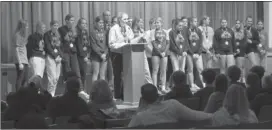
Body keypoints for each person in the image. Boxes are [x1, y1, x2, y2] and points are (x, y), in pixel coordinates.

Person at [128, 83, 212, 127]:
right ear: (158, 96)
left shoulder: (140, 117)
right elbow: (196, 115)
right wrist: (215, 115)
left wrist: (140, 108)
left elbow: (130, 127)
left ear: (142, 100)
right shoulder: (172, 105)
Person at [108, 12, 134, 100]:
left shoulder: (128, 28)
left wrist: (129, 40)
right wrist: (122, 44)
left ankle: (125, 94)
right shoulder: (113, 29)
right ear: (119, 19)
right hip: (116, 54)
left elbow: (132, 38)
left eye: (127, 19)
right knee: (117, 75)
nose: (126, 21)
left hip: (126, 54)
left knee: (126, 74)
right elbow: (111, 44)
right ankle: (117, 95)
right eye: (124, 19)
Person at [151, 17, 170, 93]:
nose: (156, 24)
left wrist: (164, 52)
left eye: (158, 22)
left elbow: (168, 43)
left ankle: (163, 87)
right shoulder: (152, 32)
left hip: (164, 54)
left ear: (161, 23)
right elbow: (153, 43)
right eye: (155, 23)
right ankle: (155, 88)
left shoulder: (165, 32)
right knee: (155, 70)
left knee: (163, 70)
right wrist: (159, 53)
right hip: (156, 53)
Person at [44, 20, 63, 97]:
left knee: (56, 78)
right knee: (52, 77)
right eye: (54, 25)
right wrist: (55, 56)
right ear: (51, 26)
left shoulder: (59, 34)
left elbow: (60, 47)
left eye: (57, 25)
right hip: (51, 57)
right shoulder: (47, 34)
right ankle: (49, 95)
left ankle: (52, 93)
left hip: (58, 58)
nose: (56, 27)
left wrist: (60, 56)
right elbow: (48, 47)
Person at [131, 18, 153, 84]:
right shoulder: (130, 31)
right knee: (136, 73)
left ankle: (152, 87)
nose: (142, 24)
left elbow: (145, 43)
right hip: (133, 53)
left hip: (142, 53)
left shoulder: (143, 31)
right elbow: (131, 42)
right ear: (136, 23)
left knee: (146, 71)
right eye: (140, 22)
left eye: (142, 22)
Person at [186, 17, 204, 91]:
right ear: (190, 22)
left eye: (196, 21)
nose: (196, 23)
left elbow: (200, 43)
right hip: (190, 54)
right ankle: (192, 85)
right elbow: (186, 44)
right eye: (195, 21)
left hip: (198, 54)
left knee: (200, 69)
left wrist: (199, 53)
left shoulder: (198, 30)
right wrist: (192, 53)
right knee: (190, 69)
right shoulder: (186, 31)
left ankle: (204, 84)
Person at [90, 16, 108, 83]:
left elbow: (107, 45)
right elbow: (93, 45)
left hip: (104, 55)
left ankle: (102, 91)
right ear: (96, 23)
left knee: (102, 74)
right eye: (100, 23)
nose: (102, 24)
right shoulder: (92, 32)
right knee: (96, 73)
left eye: (102, 23)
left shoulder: (105, 32)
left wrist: (105, 54)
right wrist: (100, 54)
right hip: (96, 55)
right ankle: (94, 91)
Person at [75, 18, 91, 92]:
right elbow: (79, 46)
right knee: (80, 74)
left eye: (85, 23)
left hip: (85, 56)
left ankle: (83, 90)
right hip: (79, 56)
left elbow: (88, 45)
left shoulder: (85, 32)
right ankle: (80, 90)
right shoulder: (77, 33)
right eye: (83, 23)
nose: (84, 25)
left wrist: (87, 55)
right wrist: (84, 56)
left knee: (84, 74)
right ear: (79, 24)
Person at [14, 19, 29, 91]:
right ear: (22, 27)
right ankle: (18, 96)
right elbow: (16, 49)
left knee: (25, 79)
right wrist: (20, 63)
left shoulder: (23, 35)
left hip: (25, 60)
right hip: (20, 61)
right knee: (20, 78)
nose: (27, 28)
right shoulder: (17, 35)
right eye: (26, 26)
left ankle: (22, 95)